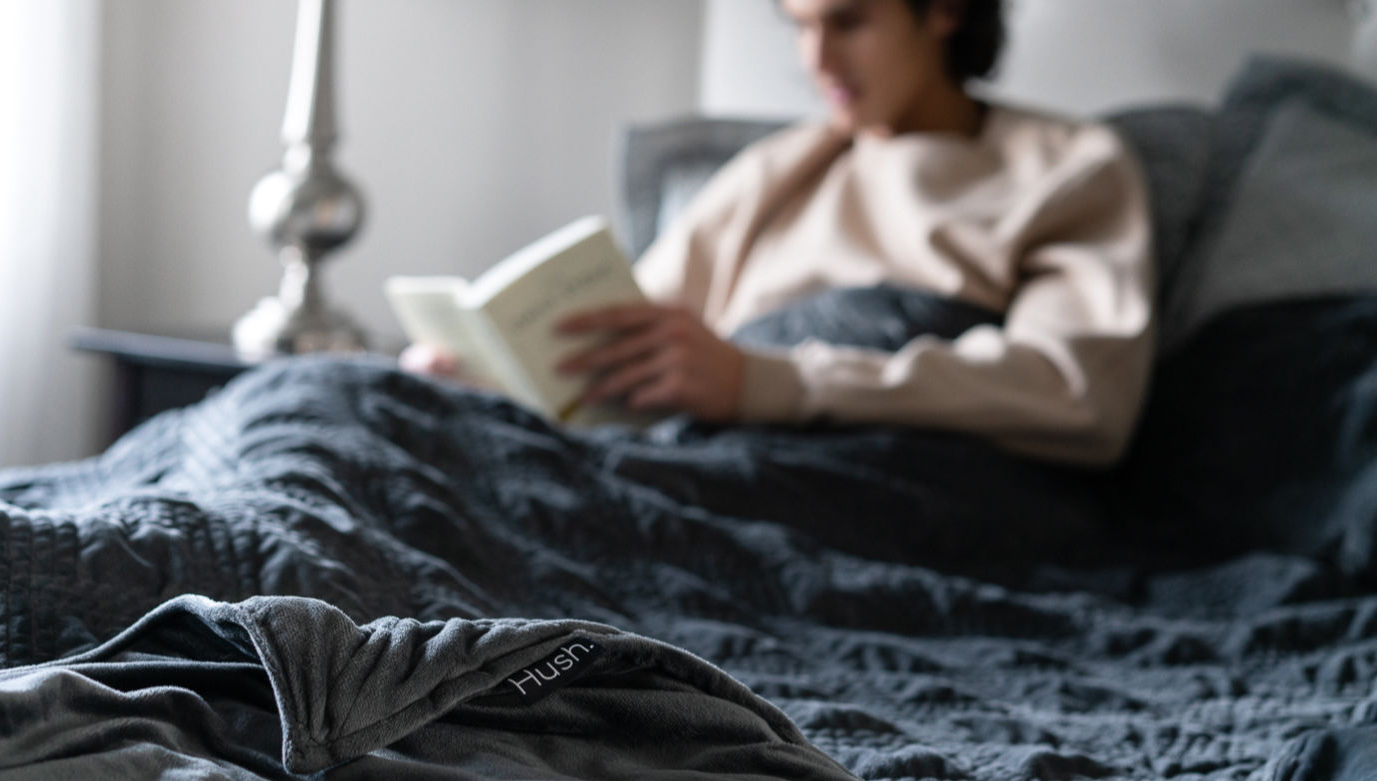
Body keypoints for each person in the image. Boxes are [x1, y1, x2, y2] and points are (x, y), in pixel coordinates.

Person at [415, 0, 1154, 467]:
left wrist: (768, 382)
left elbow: (1077, 393)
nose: (816, 62)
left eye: (849, 21)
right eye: (798, 25)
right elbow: (622, 365)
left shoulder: (1067, 167)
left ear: (946, 11)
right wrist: (483, 384)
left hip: (880, 487)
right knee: (345, 398)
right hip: (696, 459)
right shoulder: (776, 169)